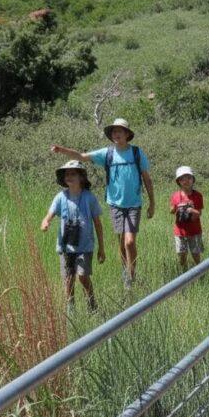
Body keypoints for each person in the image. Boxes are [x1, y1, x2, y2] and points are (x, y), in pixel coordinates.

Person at [51, 118, 154, 289]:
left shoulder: (137, 153)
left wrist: (152, 203)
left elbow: (147, 179)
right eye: (114, 131)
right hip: (115, 204)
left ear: (127, 134)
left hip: (134, 203)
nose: (116, 134)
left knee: (129, 242)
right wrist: (62, 150)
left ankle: (131, 276)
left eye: (120, 131)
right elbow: (82, 157)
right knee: (121, 242)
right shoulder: (107, 153)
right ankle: (125, 269)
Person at [41, 160, 106, 312]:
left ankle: (92, 305)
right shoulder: (60, 197)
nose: (69, 176)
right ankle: (71, 309)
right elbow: (49, 215)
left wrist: (101, 248)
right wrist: (45, 222)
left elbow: (98, 223)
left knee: (82, 276)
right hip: (66, 246)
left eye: (73, 174)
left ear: (81, 177)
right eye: (67, 174)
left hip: (85, 245)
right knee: (68, 279)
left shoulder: (90, 198)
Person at [170, 166, 204, 271]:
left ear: (193, 179)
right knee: (182, 254)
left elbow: (199, 213)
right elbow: (171, 210)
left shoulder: (198, 195)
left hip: (195, 231)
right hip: (180, 232)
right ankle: (184, 273)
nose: (186, 181)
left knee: (196, 254)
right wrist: (176, 208)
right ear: (179, 181)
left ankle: (200, 272)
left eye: (188, 178)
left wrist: (191, 210)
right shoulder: (175, 196)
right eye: (182, 179)